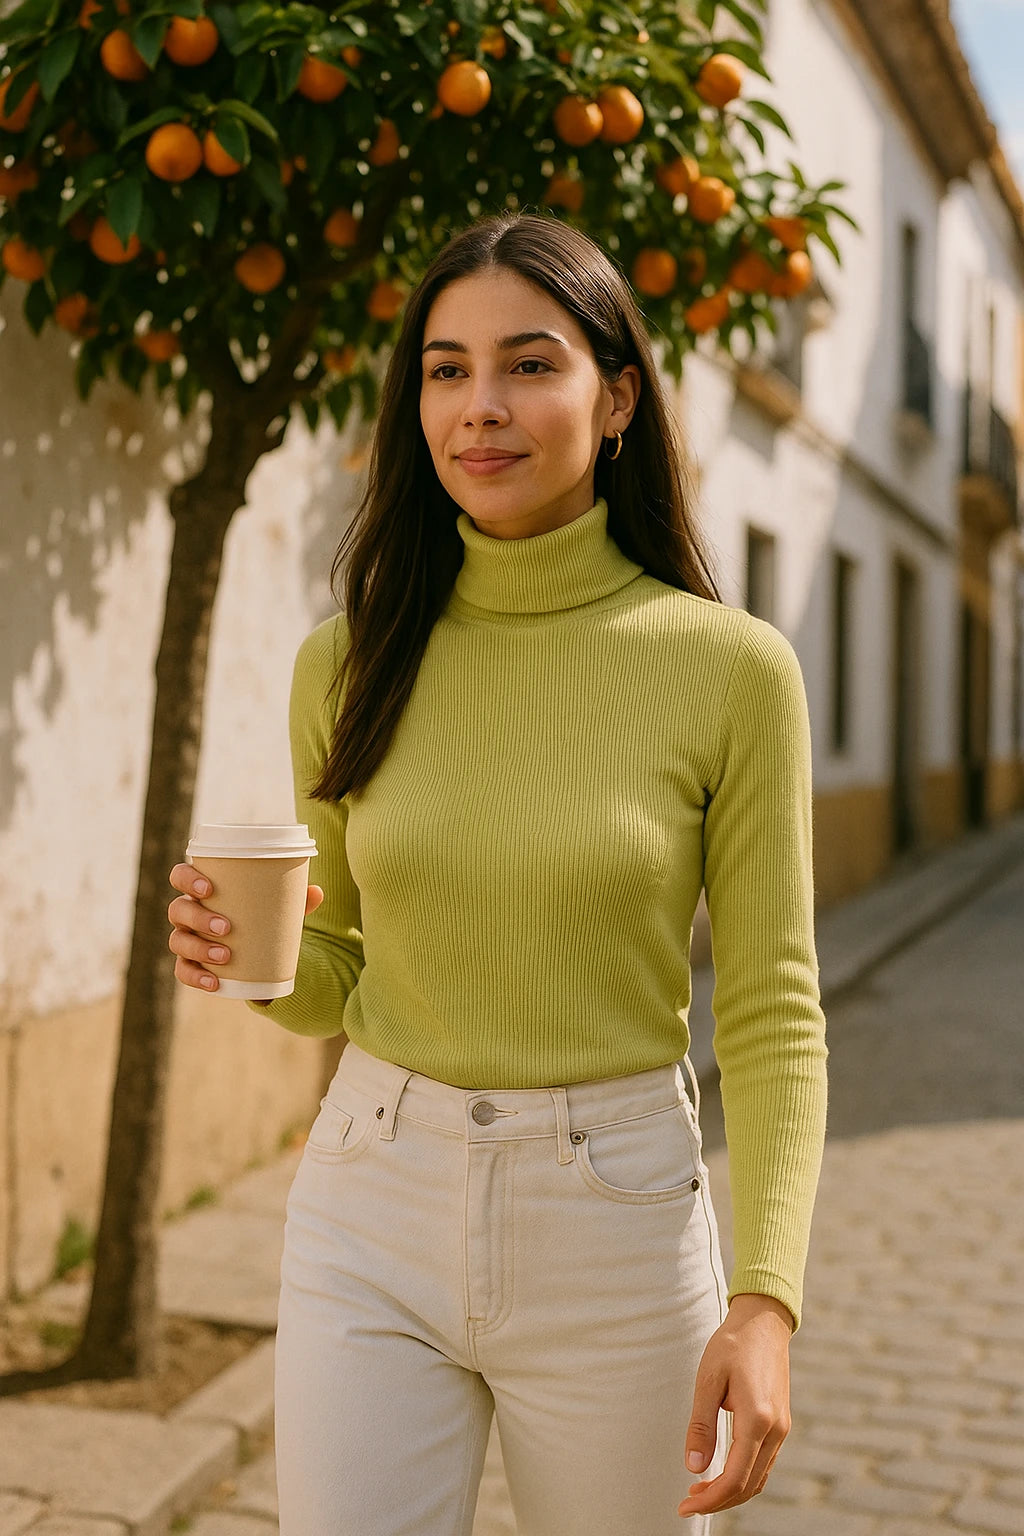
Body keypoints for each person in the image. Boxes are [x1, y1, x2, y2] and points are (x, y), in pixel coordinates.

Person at [168, 211, 828, 1536]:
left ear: (619, 396)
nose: (482, 407)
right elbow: (340, 974)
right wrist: (253, 970)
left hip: (621, 1230)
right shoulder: (348, 657)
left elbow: (768, 1006)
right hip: (371, 1198)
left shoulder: (732, 669)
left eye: (531, 364)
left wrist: (765, 1299)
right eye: (446, 369)